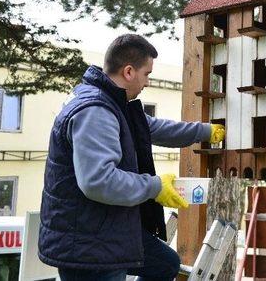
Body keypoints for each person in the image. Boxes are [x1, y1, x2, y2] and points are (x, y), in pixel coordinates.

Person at [38, 34, 224, 281]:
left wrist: (205, 131)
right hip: (88, 245)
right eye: (147, 74)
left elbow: (154, 128)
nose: (147, 82)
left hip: (103, 227)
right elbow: (99, 181)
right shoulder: (95, 111)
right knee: (163, 265)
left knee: (165, 264)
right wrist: (154, 187)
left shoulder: (113, 103)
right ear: (128, 72)